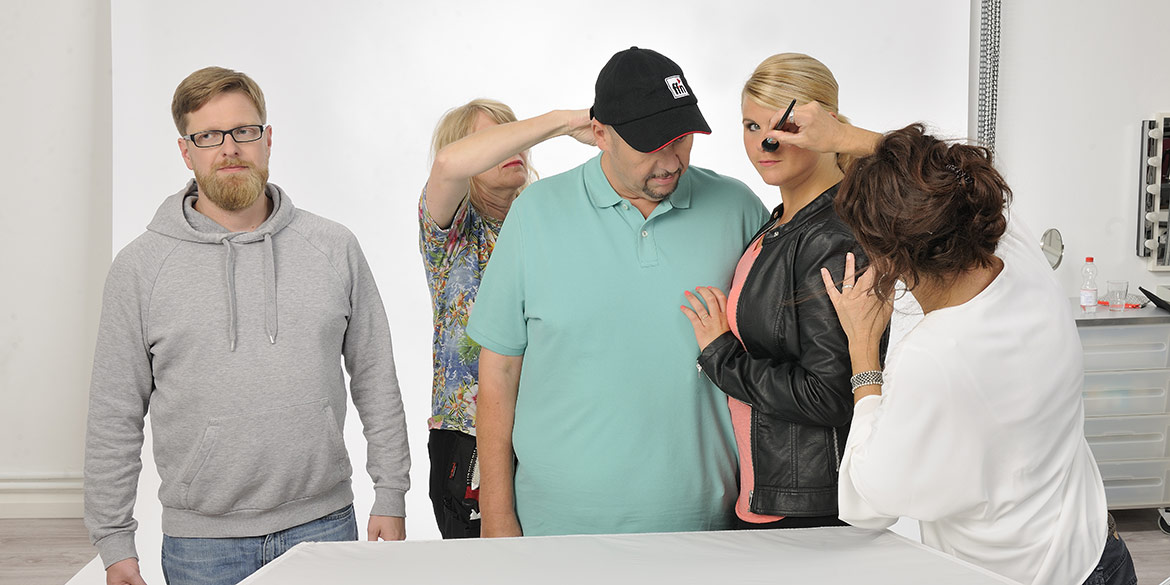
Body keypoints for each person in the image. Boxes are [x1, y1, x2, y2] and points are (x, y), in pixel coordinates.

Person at [84, 67, 410, 585]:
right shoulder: (140, 268)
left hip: (325, 525)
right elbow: (114, 412)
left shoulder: (333, 247)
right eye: (209, 136)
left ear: (268, 139)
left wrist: (391, 492)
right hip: (202, 547)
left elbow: (376, 376)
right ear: (185, 151)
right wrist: (113, 540)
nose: (230, 148)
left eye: (244, 131)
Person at [466, 47, 768, 537]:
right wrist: (497, 514)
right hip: (555, 530)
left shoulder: (738, 209)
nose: (670, 162)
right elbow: (498, 372)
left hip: (705, 527)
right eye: (650, 144)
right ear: (600, 134)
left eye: (681, 139)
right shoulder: (535, 213)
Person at [822, 124, 1137, 585]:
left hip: (1019, 576)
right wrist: (840, 134)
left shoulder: (931, 354)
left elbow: (870, 502)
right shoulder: (1024, 260)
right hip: (1100, 554)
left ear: (887, 257)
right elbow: (946, 184)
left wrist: (863, 350)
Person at [681, 53, 883, 530]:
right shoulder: (781, 223)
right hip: (765, 497)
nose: (764, 143)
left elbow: (828, 394)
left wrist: (721, 356)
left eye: (784, 128)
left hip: (805, 509)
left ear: (825, 127)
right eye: (751, 126)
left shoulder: (833, 237)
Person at [420, 99, 592, 538]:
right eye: (494, 139)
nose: (512, 147)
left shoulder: (548, 220)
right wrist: (563, 122)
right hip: (468, 438)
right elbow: (447, 165)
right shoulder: (451, 232)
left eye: (513, 134)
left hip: (552, 432)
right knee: (486, 567)